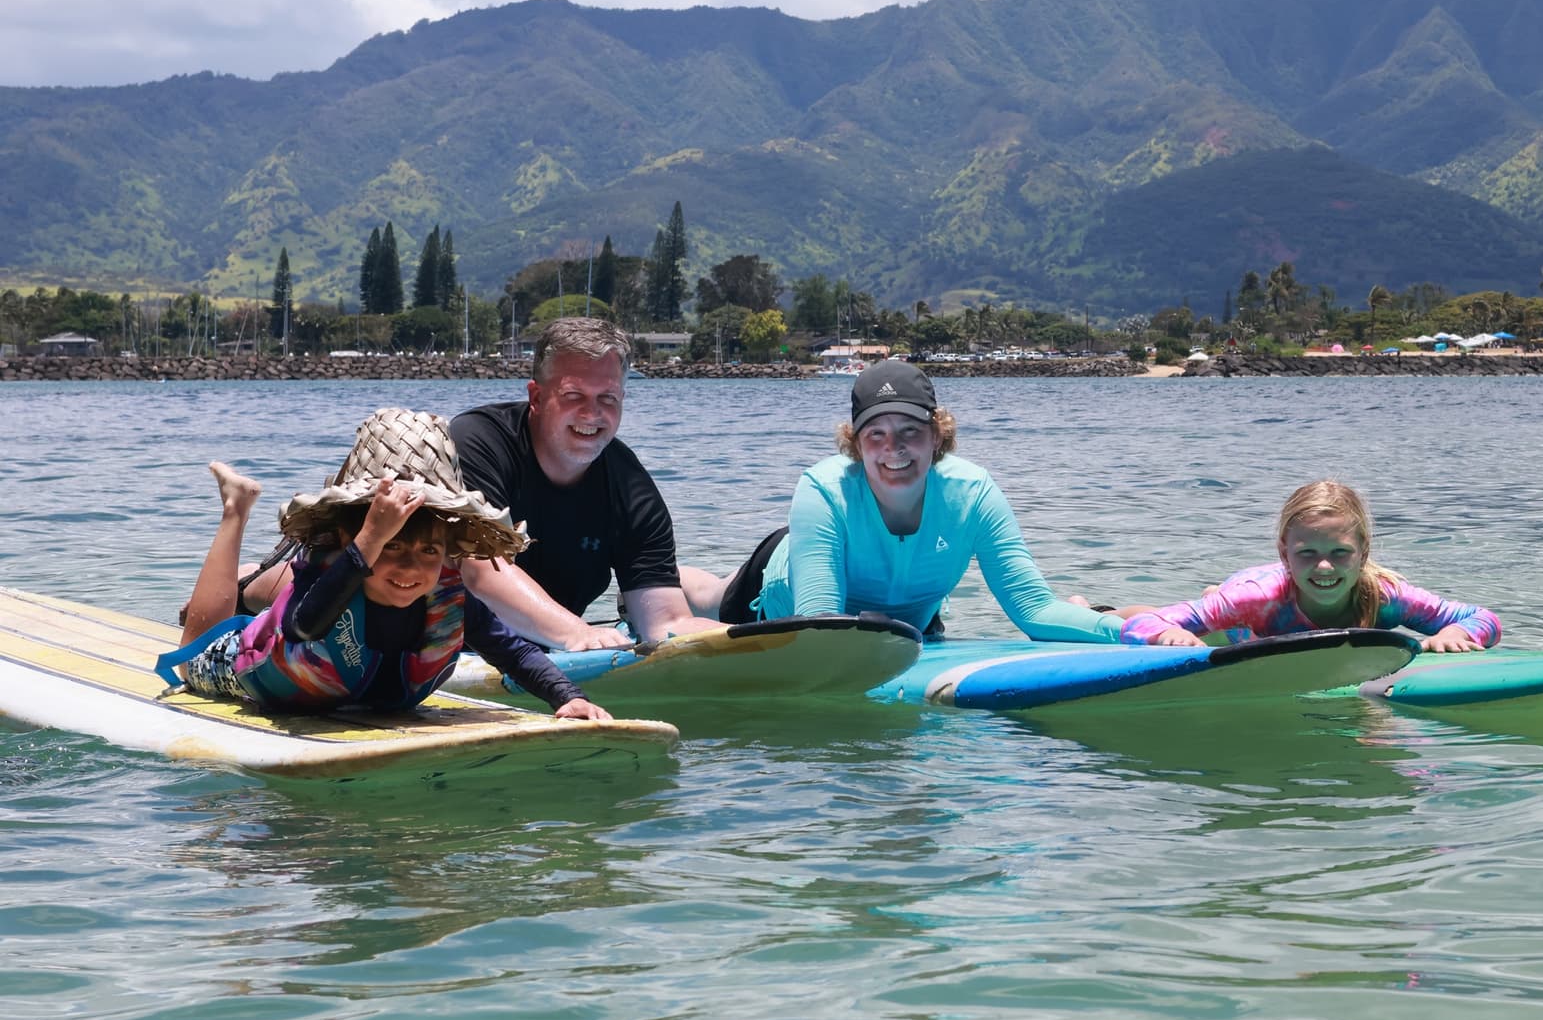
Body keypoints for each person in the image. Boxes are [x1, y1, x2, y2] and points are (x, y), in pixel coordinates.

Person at [162, 409, 607, 720]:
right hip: (245, 664)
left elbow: (513, 650)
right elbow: (303, 626)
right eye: (392, 547)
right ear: (350, 539)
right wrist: (370, 539)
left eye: (429, 552)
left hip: (354, 694)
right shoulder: (330, 571)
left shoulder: (447, 599)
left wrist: (567, 698)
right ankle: (236, 508)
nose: (411, 568)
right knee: (193, 654)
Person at [717, 360, 1122, 642]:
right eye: (876, 434)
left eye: (910, 430)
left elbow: (1033, 610)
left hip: (904, 628)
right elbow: (820, 623)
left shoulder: (973, 493)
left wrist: (1132, 633)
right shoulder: (822, 489)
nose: (894, 448)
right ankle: (667, 576)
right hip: (780, 584)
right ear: (855, 445)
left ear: (937, 436)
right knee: (710, 596)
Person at [449, 317, 725, 650]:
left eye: (607, 399)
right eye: (573, 395)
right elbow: (482, 571)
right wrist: (577, 634)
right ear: (535, 397)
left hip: (557, 650)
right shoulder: (478, 444)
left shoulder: (630, 487)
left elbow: (665, 623)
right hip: (446, 646)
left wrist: (755, 644)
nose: (591, 413)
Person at [1120, 479, 1502, 651]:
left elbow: (1482, 617)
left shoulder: (1385, 595)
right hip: (1246, 604)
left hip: (1255, 612)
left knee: (1210, 612)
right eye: (1307, 553)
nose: (1324, 567)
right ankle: (1095, 609)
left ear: (1364, 553)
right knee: (1201, 618)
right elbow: (1140, 628)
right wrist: (1164, 635)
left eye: (1339, 553)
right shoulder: (1258, 598)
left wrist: (1457, 634)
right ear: (1285, 554)